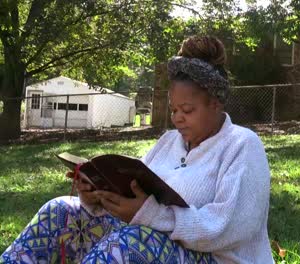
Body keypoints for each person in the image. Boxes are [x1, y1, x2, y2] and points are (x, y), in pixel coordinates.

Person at [1, 36, 274, 264]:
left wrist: (152, 215)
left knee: (132, 243)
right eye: (174, 109)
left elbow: (226, 228)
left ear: (216, 103)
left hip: (214, 257)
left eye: (187, 110)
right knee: (59, 211)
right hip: (154, 240)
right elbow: (134, 196)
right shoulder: (169, 142)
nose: (178, 117)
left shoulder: (242, 145)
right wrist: (99, 196)